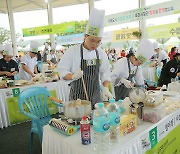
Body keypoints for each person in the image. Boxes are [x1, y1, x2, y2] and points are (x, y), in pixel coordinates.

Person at [57, 8, 113, 108]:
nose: (95, 44)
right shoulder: (72, 51)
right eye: (92, 40)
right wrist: (73, 76)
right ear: (85, 36)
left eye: (98, 41)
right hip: (77, 98)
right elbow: (62, 71)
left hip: (96, 97)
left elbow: (105, 73)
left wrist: (105, 88)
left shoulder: (101, 53)